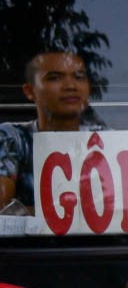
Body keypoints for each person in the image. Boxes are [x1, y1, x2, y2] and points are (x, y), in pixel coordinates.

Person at [1, 50, 104, 214]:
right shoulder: (11, 138)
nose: (70, 86)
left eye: (78, 77)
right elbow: (3, 210)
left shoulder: (108, 139)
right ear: (30, 91)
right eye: (55, 78)